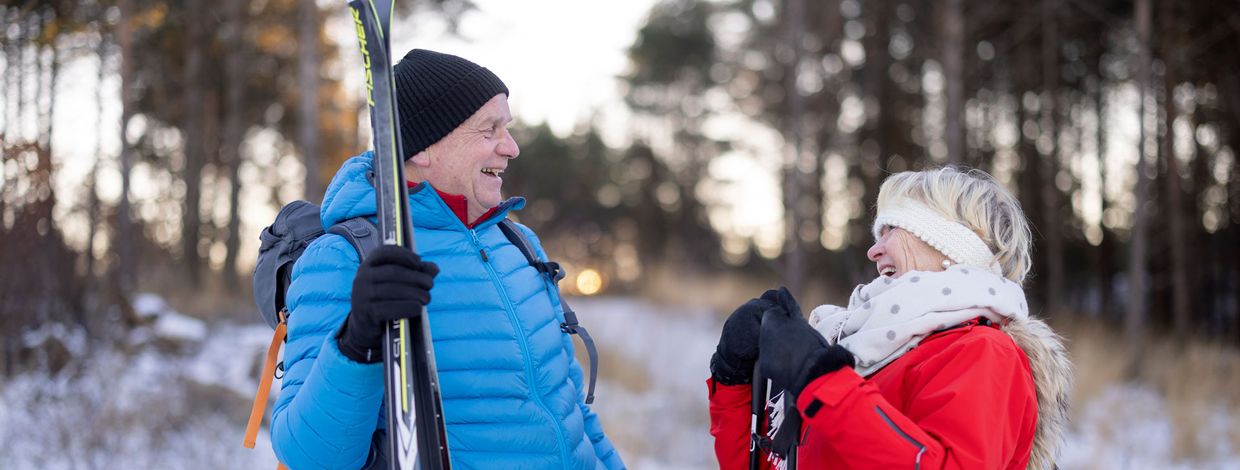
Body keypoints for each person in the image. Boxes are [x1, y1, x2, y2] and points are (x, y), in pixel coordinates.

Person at [271, 49, 624, 470]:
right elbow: (308, 456)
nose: (511, 148)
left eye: (507, 128)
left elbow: (572, 409)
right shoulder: (344, 258)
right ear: (422, 148)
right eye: (489, 130)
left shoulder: (518, 243)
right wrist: (356, 342)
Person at [708, 167, 1072, 469]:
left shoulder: (983, 352)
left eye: (892, 229)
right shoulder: (868, 349)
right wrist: (735, 382)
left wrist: (822, 382)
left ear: (954, 245)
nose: (874, 250)